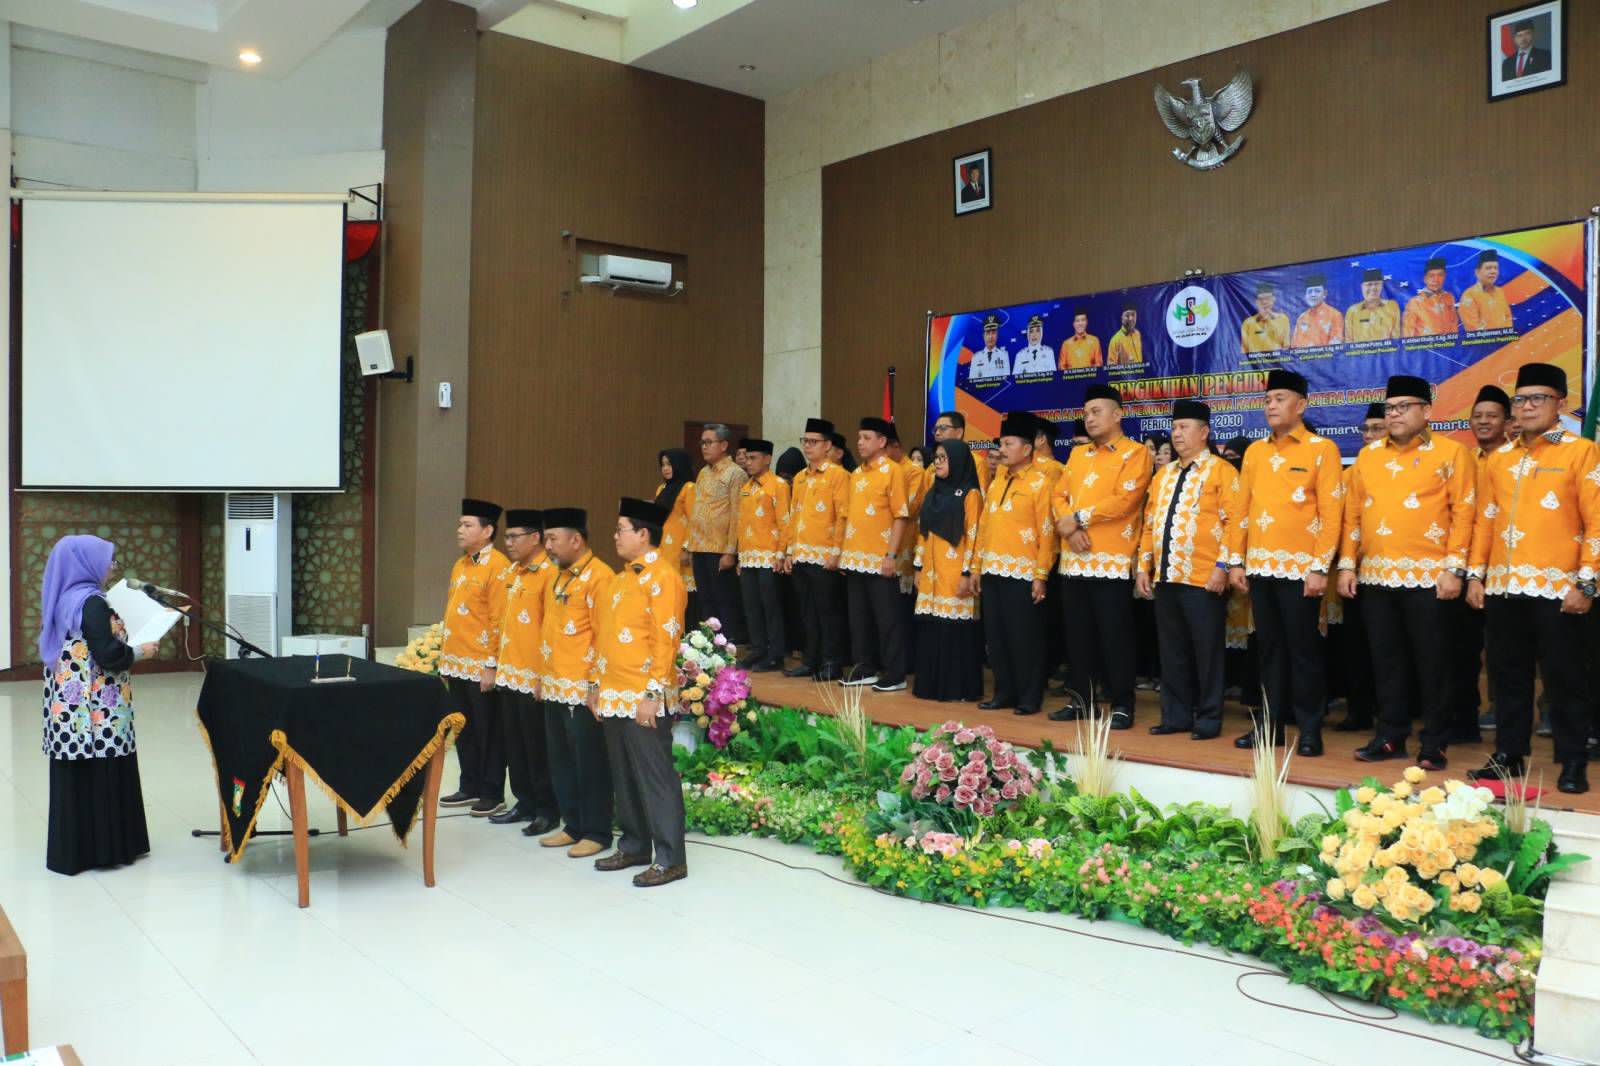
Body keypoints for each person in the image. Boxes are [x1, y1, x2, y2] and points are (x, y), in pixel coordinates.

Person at [1467, 363, 1600, 793]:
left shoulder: (1581, 452)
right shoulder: (1501, 458)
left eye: (1537, 398)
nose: (1526, 407)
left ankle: (1572, 759)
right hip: (1504, 587)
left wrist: (1587, 583)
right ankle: (1509, 755)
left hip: (1559, 588)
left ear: (1561, 403)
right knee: (1507, 676)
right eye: (1520, 399)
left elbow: (1597, 521)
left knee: (1565, 678)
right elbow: (1485, 519)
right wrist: (1475, 575)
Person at [1338, 377, 1474, 770]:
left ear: (1427, 411)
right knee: (1386, 661)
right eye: (1390, 408)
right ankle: (1390, 736)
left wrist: (1455, 569)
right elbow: (1353, 514)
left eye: (1404, 407)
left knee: (1434, 663)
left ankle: (1434, 742)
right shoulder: (1368, 457)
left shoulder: (1452, 453)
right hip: (1377, 576)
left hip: (1430, 577)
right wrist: (1347, 564)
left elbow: (1465, 512)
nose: (1394, 414)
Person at [1227, 369, 1342, 756]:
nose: (1271, 405)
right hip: (1260, 567)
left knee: (1304, 652)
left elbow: (1331, 514)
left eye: (1279, 399)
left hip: (1301, 571)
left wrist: (1319, 567)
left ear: (1301, 405)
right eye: (1267, 400)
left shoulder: (1321, 449)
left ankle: (1310, 730)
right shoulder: (1255, 452)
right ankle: (1269, 727)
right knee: (1269, 651)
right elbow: (1241, 510)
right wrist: (1236, 561)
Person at [40, 535, 154, 875]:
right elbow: (107, 654)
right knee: (103, 770)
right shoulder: (92, 603)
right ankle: (105, 849)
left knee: (78, 776)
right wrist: (141, 651)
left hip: (70, 707)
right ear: (87, 564)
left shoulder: (65, 598)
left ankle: (76, 851)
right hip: (96, 710)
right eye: (108, 561)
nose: (111, 568)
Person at [590, 498, 690, 887]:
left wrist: (653, 693)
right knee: (624, 775)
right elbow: (604, 637)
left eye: (621, 530)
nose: (615, 536)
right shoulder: (619, 580)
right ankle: (633, 845)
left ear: (643, 534)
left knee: (655, 776)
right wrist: (596, 684)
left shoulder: (664, 577)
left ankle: (671, 858)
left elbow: (666, 638)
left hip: (643, 694)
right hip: (614, 690)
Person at [1051, 385, 1153, 727]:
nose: (1089, 418)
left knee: (1115, 636)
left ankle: (1122, 704)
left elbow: (1126, 500)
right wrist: (1070, 530)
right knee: (1077, 637)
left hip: (1111, 560)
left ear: (1118, 414)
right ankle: (1081, 701)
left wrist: (1079, 519)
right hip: (1074, 559)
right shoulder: (1078, 455)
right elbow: (1058, 496)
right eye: (1086, 413)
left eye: (1096, 411)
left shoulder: (1135, 453)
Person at [1135, 400, 1237, 740]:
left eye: (1184, 427)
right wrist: (1143, 566)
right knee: (1172, 651)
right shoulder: (1163, 475)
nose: (1177, 434)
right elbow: (1149, 524)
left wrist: (1223, 567)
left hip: (1203, 578)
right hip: (1167, 576)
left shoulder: (1222, 471)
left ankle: (1208, 718)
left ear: (1204, 432)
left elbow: (1235, 523)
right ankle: (1175, 716)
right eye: (1175, 427)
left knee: (1207, 652)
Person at [534, 508, 616, 856]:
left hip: (582, 689)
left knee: (589, 762)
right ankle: (573, 825)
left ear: (576, 539)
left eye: (553, 539)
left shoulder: (601, 576)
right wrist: (542, 675)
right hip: (555, 684)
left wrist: (596, 685)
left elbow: (604, 635)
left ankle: (597, 831)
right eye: (546, 539)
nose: (548, 546)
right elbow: (548, 630)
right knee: (562, 760)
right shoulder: (558, 576)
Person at [973, 412, 1057, 716]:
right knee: (996, 638)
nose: (1002, 449)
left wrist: (1041, 575)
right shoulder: (997, 481)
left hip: (1023, 572)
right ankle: (1004, 692)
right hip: (992, 569)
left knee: (1025, 638)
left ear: (1027, 448)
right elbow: (984, 526)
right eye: (1002, 444)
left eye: (1009, 444)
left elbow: (1047, 533)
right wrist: (977, 567)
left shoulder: (1040, 483)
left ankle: (1029, 697)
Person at [490, 509, 561, 834]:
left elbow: (551, 629)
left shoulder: (549, 573)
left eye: (513, 536)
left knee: (537, 746)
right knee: (515, 745)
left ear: (535, 538)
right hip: (509, 672)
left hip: (533, 675)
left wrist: (544, 675)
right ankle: (524, 802)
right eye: (506, 537)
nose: (508, 543)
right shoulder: (513, 572)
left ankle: (547, 809)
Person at [438, 498, 510, 816]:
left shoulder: (498, 566)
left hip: (481, 663)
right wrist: (446, 659)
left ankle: (492, 791)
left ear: (488, 530)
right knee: (463, 727)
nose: (460, 530)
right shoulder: (461, 564)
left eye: (467, 525)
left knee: (488, 730)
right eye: (460, 524)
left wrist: (492, 664)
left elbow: (499, 619)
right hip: (457, 660)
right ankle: (469, 785)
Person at [1327, 404, 1388, 734]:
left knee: (1389, 648)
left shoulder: (1401, 469)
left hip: (1394, 574)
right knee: (1356, 645)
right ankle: (1359, 711)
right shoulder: (1349, 474)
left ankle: (1393, 715)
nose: (1369, 435)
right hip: (1354, 573)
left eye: (1377, 428)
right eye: (1366, 429)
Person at [840, 417, 912, 691]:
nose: (860, 443)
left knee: (887, 619)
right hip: (855, 556)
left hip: (881, 557)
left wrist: (891, 555)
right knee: (859, 619)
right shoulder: (856, 474)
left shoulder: (893, 471)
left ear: (882, 441)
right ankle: (865, 668)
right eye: (859, 437)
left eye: (866, 438)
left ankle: (895, 673)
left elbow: (901, 515)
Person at [913, 440, 984, 702]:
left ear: (958, 460)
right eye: (936, 457)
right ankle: (931, 687)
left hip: (956, 572)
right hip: (931, 572)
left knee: (954, 630)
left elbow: (975, 536)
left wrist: (968, 572)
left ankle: (956, 689)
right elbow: (923, 532)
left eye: (944, 457)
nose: (938, 462)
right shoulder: (933, 491)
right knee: (932, 628)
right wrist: (918, 566)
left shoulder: (971, 494)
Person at [1459, 384, 1512, 736]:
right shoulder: (1462, 459)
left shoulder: (1518, 459)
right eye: (1477, 416)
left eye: (1491, 416)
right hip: (1466, 566)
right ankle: (1465, 715)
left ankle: (1506, 707)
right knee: (1465, 645)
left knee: (1505, 647)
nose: (1483, 422)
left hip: (1507, 565)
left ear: (1508, 422)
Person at [780, 418, 850, 681]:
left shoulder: (838, 476)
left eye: (813, 442)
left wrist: (836, 552)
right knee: (807, 612)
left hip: (824, 556)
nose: (808, 446)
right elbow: (793, 517)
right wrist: (789, 552)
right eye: (805, 441)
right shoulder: (800, 477)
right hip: (801, 555)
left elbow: (843, 516)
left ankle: (832, 663)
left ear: (828, 445)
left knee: (828, 612)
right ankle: (811, 660)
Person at [687, 423, 749, 641]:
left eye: (709, 442)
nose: (704, 447)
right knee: (705, 600)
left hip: (720, 549)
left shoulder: (736, 474)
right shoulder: (703, 473)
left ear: (723, 445)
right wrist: (690, 545)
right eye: (702, 443)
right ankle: (708, 646)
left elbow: (737, 514)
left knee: (724, 601)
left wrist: (730, 551)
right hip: (699, 546)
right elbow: (697, 510)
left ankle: (727, 645)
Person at [736, 438, 789, 672]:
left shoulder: (778, 485)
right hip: (749, 556)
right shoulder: (746, 488)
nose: (748, 462)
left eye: (753, 458)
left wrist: (781, 554)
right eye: (747, 458)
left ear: (767, 459)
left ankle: (775, 654)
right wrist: (740, 556)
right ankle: (757, 649)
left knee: (771, 607)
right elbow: (741, 524)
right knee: (752, 606)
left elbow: (785, 522)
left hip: (769, 556)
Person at [655, 448, 696, 595]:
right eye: (663, 465)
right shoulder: (661, 489)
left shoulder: (689, 488)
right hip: (662, 546)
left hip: (680, 548)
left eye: (670, 464)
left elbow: (694, 520)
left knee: (679, 592)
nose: (665, 468)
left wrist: (686, 549)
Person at [927, 411, 992, 494]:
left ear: (959, 433)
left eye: (943, 428)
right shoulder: (933, 465)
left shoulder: (977, 463)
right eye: (935, 429)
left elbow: (979, 498)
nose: (937, 433)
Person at [1403, 257, 1459, 337]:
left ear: (1445, 276)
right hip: (1426, 344)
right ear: (1425, 279)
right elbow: (1407, 333)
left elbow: (1454, 326)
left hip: (1449, 343)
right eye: (1431, 276)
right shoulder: (1414, 302)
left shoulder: (1449, 298)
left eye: (1440, 275)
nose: (1436, 279)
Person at [1458, 250, 1513, 333]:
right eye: (1488, 268)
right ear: (1477, 272)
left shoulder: (1500, 292)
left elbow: (1508, 317)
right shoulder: (1469, 295)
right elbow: (1473, 328)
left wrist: (1507, 335)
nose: (1493, 272)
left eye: (1496, 268)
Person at [1345, 268, 1400, 341]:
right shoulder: (1352, 311)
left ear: (1381, 285)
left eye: (1377, 284)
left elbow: (1396, 338)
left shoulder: (1392, 306)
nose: (1373, 288)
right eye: (1369, 284)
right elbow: (1348, 341)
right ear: (1362, 287)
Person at [1291, 274, 1343, 348]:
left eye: (1317, 291)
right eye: (1310, 292)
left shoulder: (1335, 315)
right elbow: (1295, 346)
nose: (1313, 295)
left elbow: (1336, 344)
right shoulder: (1302, 318)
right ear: (1305, 295)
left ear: (1324, 294)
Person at [1241, 285, 1289, 354]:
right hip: (1256, 360)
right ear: (1256, 302)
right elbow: (1244, 351)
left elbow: (1286, 347)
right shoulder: (1248, 323)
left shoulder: (1282, 319)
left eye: (1267, 298)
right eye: (1261, 299)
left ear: (1273, 299)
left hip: (1277, 359)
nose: (1264, 302)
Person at [969, 314, 1010, 381]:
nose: (991, 337)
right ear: (984, 336)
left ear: (997, 335)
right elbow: (972, 380)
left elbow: (1006, 379)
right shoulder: (976, 357)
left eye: (993, 333)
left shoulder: (1004, 355)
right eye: (988, 333)